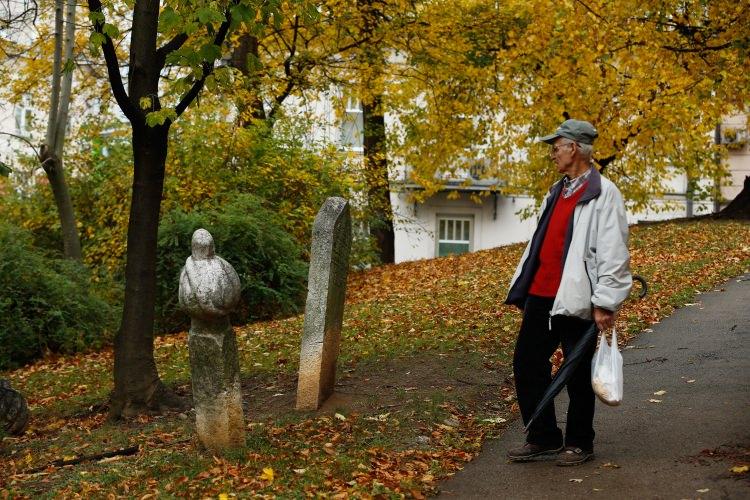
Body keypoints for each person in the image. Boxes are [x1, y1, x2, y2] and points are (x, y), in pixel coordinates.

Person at [504, 119, 632, 466]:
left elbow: (614, 252)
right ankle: (544, 436)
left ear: (574, 148)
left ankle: (579, 442)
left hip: (579, 299)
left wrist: (606, 302)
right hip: (543, 296)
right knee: (527, 363)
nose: (552, 154)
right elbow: (541, 243)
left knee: (575, 372)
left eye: (556, 146)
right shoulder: (556, 191)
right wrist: (524, 287)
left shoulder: (604, 194)